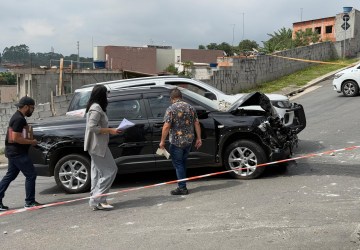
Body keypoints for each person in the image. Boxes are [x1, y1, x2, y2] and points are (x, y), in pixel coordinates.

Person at [0, 96, 41, 210]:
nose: (32, 110)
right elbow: (16, 138)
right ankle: (29, 201)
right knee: (31, 174)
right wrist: (31, 141)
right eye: (32, 108)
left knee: (10, 175)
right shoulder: (19, 119)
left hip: (13, 151)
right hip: (17, 153)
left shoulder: (17, 116)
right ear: (26, 107)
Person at [159, 88, 202, 195]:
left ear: (171, 98)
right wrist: (199, 138)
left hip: (176, 142)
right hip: (188, 141)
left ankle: (182, 188)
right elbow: (197, 123)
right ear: (181, 97)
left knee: (178, 164)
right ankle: (182, 184)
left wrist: (162, 141)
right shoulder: (191, 107)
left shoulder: (171, 109)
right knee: (182, 163)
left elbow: (166, 126)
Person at [84, 85, 120, 211]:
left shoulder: (94, 106)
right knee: (110, 171)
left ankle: (99, 201)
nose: (107, 96)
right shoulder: (96, 108)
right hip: (97, 146)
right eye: (106, 94)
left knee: (97, 173)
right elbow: (92, 127)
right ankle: (96, 199)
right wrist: (110, 130)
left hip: (97, 145)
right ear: (101, 95)